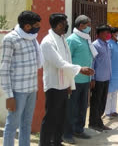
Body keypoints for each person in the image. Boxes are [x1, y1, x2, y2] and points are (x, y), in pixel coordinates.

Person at [39, 13, 94, 146]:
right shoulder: (48, 42)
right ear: (58, 25)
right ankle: (45, 143)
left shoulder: (62, 38)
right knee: (51, 117)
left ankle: (57, 142)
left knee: (61, 117)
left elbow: (68, 60)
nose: (66, 26)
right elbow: (60, 63)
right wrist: (80, 69)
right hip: (53, 85)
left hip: (64, 85)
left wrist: (70, 83)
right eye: (64, 23)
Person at [0, 11, 42, 146]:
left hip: (31, 89)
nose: (38, 28)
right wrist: (9, 96)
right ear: (27, 26)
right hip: (17, 91)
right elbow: (4, 69)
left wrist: (34, 89)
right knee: (12, 126)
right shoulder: (10, 39)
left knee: (26, 124)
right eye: (36, 25)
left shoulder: (32, 38)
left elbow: (34, 64)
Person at [63, 15, 97, 144]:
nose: (90, 27)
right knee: (72, 108)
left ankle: (79, 129)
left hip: (85, 80)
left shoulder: (86, 39)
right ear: (81, 25)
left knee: (83, 107)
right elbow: (67, 60)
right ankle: (67, 133)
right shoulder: (72, 39)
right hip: (75, 80)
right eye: (88, 25)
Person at [89, 24, 113, 132]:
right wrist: (92, 78)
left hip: (106, 78)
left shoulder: (107, 44)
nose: (107, 35)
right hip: (98, 79)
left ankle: (99, 122)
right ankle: (93, 123)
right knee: (96, 102)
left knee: (103, 101)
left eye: (108, 33)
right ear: (98, 34)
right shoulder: (95, 45)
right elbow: (92, 62)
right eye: (104, 33)